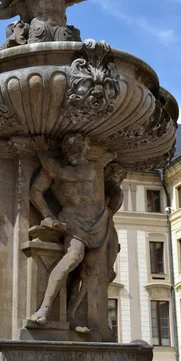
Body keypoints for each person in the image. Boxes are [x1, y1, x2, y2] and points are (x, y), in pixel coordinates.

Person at [29, 134, 115, 331]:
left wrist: (41, 152)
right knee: (73, 257)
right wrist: (48, 214)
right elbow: (34, 191)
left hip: (98, 221)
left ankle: (71, 314)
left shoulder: (87, 168)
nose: (77, 151)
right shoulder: (52, 169)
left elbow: (62, 174)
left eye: (80, 147)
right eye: (72, 147)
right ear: (66, 150)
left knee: (89, 270)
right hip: (73, 220)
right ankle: (44, 308)